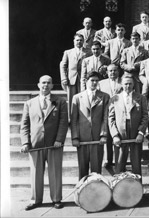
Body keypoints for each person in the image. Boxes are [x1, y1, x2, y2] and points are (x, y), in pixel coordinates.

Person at [20, 75, 68, 210]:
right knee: (35, 173)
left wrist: (59, 139)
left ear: (52, 86)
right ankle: (35, 200)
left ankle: (56, 199)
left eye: (48, 83)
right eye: (43, 83)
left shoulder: (60, 101)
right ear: (38, 85)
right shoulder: (29, 103)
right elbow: (24, 125)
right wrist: (25, 142)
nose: (45, 85)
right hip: (36, 144)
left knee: (55, 172)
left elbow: (63, 123)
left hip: (54, 144)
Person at [71, 71, 110, 180]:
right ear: (86, 81)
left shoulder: (104, 97)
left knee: (96, 170)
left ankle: (97, 194)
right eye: (92, 80)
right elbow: (74, 120)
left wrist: (103, 134)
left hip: (97, 138)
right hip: (82, 138)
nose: (94, 83)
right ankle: (82, 192)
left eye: (96, 81)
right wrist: (75, 137)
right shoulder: (77, 97)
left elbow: (105, 118)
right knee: (82, 170)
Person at [108, 75, 149, 175]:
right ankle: (118, 188)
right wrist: (115, 135)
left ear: (134, 84)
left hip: (135, 132)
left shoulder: (141, 98)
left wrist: (141, 132)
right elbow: (111, 118)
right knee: (119, 163)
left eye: (130, 83)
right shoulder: (115, 98)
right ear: (122, 84)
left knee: (136, 163)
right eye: (126, 83)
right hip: (121, 133)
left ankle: (137, 188)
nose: (128, 86)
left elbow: (145, 116)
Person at [60, 33, 90, 118]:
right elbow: (63, 65)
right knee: (71, 100)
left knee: (83, 98)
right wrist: (64, 78)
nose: (79, 42)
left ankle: (83, 117)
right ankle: (71, 118)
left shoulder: (88, 52)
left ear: (83, 41)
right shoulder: (68, 52)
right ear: (74, 41)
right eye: (77, 40)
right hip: (71, 79)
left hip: (83, 79)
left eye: (81, 40)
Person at [98, 64, 123, 167]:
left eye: (115, 70)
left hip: (119, 113)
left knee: (117, 135)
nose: (113, 73)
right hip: (105, 112)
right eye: (110, 71)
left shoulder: (123, 82)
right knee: (107, 136)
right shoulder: (101, 83)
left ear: (118, 71)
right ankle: (107, 159)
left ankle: (119, 160)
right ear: (107, 72)